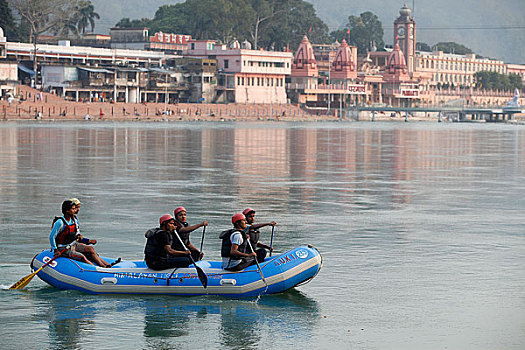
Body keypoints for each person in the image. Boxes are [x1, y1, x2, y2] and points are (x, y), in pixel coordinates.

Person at [49, 200, 111, 267]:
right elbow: (52, 237)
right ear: (67, 210)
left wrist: (79, 236)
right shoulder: (60, 222)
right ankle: (96, 269)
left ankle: (105, 266)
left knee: (90, 249)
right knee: (82, 256)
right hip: (63, 249)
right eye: (73, 209)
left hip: (73, 245)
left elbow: (75, 234)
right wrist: (55, 250)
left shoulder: (74, 220)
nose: (75, 210)